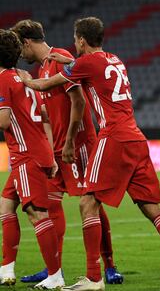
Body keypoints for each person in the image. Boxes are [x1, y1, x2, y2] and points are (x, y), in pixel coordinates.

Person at [19, 17, 160, 291]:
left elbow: (45, 85)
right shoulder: (115, 60)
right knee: (152, 208)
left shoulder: (85, 63)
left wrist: (25, 79)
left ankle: (93, 277)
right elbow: (90, 70)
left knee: (87, 203)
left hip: (112, 137)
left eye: (76, 40)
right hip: (136, 137)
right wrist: (68, 63)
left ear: (81, 40)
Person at [11, 19, 123, 285]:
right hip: (59, 149)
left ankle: (108, 265)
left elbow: (79, 101)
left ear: (27, 42)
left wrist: (71, 141)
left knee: (92, 204)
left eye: (20, 48)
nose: (19, 54)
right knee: (49, 204)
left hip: (79, 146)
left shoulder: (61, 57)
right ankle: (54, 269)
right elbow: (52, 114)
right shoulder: (42, 69)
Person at [0, 29, 64, 289]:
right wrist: (50, 152)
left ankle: (55, 275)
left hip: (26, 154)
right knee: (6, 205)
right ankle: (6, 269)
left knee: (36, 213)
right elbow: (45, 117)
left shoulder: (4, 79)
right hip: (37, 150)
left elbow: (3, 120)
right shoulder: (23, 77)